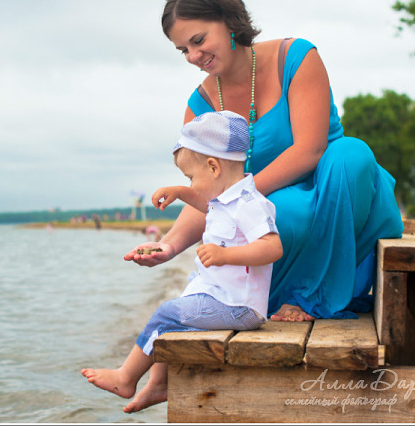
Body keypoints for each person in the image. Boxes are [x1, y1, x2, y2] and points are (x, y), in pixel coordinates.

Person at [125, 0, 404, 324]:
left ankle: (316, 297)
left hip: (340, 194)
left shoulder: (296, 57)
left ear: (229, 21)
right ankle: (275, 298)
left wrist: (238, 194)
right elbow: (209, 190)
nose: (194, 56)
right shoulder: (201, 107)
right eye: (183, 50)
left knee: (352, 154)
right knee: (275, 213)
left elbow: (310, 150)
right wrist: (168, 245)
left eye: (198, 40)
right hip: (277, 218)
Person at [82, 110, 282, 414]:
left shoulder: (250, 205)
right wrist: (181, 192)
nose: (191, 183)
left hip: (239, 306)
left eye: (190, 177)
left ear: (213, 167)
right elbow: (207, 205)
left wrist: (225, 255)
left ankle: (126, 378)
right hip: (223, 296)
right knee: (181, 306)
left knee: (168, 313)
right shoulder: (226, 200)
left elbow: (272, 247)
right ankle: (158, 385)